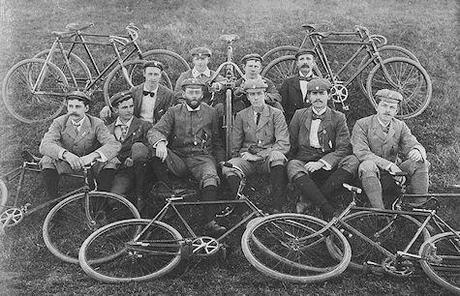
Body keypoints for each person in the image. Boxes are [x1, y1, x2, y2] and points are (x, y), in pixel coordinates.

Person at [147, 78, 226, 233]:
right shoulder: (174, 112)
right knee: (153, 149)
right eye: (190, 92)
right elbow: (154, 131)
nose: (194, 96)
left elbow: (217, 140)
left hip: (202, 158)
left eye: (197, 92)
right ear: (183, 94)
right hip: (179, 157)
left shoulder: (211, 112)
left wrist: (221, 161)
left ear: (203, 94)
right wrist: (161, 143)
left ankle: (209, 220)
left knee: (210, 177)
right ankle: (169, 193)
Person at [287, 78, 359, 219]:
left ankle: (310, 200)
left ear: (329, 96)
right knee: (293, 165)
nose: (318, 97)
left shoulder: (338, 117)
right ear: (308, 97)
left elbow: (343, 147)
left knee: (352, 161)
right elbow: (292, 142)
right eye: (314, 93)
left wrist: (321, 162)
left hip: (328, 161)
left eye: (322, 93)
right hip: (305, 159)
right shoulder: (299, 115)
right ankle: (326, 207)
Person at [351, 89, 430, 209]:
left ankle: (419, 208)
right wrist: (389, 165)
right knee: (367, 165)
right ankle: (379, 211)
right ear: (377, 106)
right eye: (384, 106)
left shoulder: (400, 126)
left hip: (393, 175)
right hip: (369, 176)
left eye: (392, 108)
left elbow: (411, 142)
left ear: (396, 111)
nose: (387, 110)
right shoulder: (362, 124)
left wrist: (416, 150)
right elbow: (361, 152)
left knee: (420, 162)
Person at [221, 79, 290, 213]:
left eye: (259, 93)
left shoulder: (276, 114)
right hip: (247, 158)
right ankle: (244, 210)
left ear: (264, 94)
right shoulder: (241, 115)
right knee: (228, 168)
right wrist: (237, 159)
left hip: (267, 157)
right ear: (247, 96)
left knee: (278, 157)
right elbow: (235, 143)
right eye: (252, 94)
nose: (256, 97)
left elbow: (283, 143)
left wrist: (259, 156)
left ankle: (277, 207)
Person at [39, 91, 121, 199]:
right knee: (47, 159)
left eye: (78, 107)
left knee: (112, 160)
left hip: (90, 164)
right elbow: (45, 144)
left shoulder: (96, 123)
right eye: (71, 106)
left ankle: (101, 201)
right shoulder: (59, 122)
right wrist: (66, 155)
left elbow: (114, 144)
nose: (73, 110)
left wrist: (93, 156)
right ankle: (54, 202)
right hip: (67, 163)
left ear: (86, 108)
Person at [106, 91, 151, 210]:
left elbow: (150, 147)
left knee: (139, 148)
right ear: (116, 110)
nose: (129, 110)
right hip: (121, 172)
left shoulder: (144, 125)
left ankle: (140, 197)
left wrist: (133, 157)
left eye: (131, 106)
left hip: (142, 169)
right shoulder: (108, 129)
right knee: (113, 200)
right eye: (124, 107)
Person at [100, 60, 176, 125]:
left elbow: (169, 117)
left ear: (160, 75)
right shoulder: (135, 90)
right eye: (150, 74)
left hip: (156, 127)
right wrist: (108, 105)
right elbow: (121, 95)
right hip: (137, 127)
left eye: (156, 74)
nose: (152, 78)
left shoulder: (168, 94)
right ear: (144, 74)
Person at [216, 53, 283, 114]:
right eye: (250, 66)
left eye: (256, 67)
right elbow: (225, 99)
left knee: (277, 105)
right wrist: (238, 92)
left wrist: (264, 97)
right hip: (244, 114)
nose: (253, 69)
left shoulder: (266, 82)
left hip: (263, 112)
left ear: (260, 69)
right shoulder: (238, 83)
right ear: (244, 67)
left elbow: (277, 96)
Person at [279, 49, 319, 123]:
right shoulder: (288, 83)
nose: (305, 62)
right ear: (297, 63)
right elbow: (282, 109)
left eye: (308, 59)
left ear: (313, 63)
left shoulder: (321, 82)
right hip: (293, 126)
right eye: (302, 59)